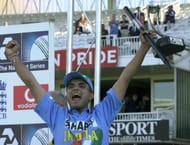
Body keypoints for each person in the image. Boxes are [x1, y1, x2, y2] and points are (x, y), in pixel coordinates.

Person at [5, 29, 155, 144]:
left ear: (91, 95)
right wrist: (13, 57)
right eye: (70, 86)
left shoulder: (102, 112)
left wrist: (143, 48)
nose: (75, 89)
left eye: (82, 86)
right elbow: (31, 83)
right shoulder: (56, 114)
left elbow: (125, 79)